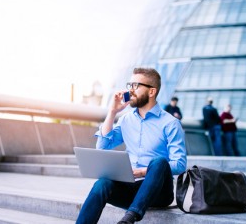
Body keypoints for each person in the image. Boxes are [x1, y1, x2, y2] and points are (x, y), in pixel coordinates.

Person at [76, 67, 186, 224]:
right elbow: (102, 147)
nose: (131, 90)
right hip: (131, 188)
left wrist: (143, 172)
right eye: (130, 85)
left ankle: (129, 218)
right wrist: (112, 112)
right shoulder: (126, 120)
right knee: (102, 184)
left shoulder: (171, 123)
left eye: (136, 85)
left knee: (159, 162)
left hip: (159, 192)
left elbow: (180, 164)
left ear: (151, 91)